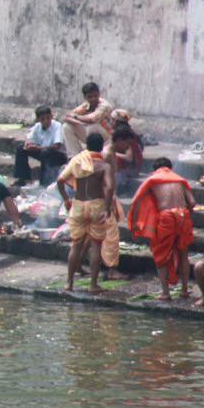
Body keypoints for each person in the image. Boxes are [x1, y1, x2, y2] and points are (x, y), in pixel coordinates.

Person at [127, 156, 195, 300]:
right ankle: (184, 290)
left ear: (155, 170)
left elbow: (135, 200)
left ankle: (165, 293)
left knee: (160, 255)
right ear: (170, 168)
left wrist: (133, 222)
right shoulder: (179, 180)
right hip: (184, 214)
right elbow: (193, 203)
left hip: (166, 217)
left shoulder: (153, 180)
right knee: (183, 254)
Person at [57, 133, 113, 293]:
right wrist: (107, 209)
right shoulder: (104, 166)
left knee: (76, 246)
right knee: (96, 247)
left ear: (86, 146)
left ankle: (69, 283)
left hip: (78, 205)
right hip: (96, 205)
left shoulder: (77, 161)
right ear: (101, 147)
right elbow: (109, 187)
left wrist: (66, 199)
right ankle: (93, 285)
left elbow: (60, 180)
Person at [99, 125, 136, 279]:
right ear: (119, 140)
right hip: (104, 197)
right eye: (126, 144)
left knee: (97, 235)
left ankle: (83, 266)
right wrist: (108, 204)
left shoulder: (110, 148)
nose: (127, 148)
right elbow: (104, 181)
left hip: (107, 196)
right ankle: (112, 271)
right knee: (111, 235)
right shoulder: (107, 154)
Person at [13, 105, 66, 187]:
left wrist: (38, 148)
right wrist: (28, 143)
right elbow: (30, 138)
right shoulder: (37, 126)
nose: (46, 121)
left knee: (45, 152)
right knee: (21, 148)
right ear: (38, 120)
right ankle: (26, 180)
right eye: (43, 119)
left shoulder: (57, 126)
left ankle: (44, 183)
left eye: (48, 118)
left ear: (51, 117)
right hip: (44, 152)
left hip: (58, 156)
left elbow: (57, 146)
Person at [62, 81, 113, 155]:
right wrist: (80, 122)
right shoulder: (86, 105)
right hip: (91, 133)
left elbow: (91, 119)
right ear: (85, 97)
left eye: (95, 95)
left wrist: (76, 116)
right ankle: (73, 156)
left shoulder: (104, 105)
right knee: (67, 126)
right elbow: (66, 116)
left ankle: (92, 154)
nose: (93, 99)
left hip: (108, 138)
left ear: (99, 94)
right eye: (90, 97)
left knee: (92, 126)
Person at [110, 109, 144, 193]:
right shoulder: (124, 133)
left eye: (112, 120)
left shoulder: (125, 136)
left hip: (132, 169)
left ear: (115, 121)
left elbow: (129, 158)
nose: (110, 122)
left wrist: (113, 153)